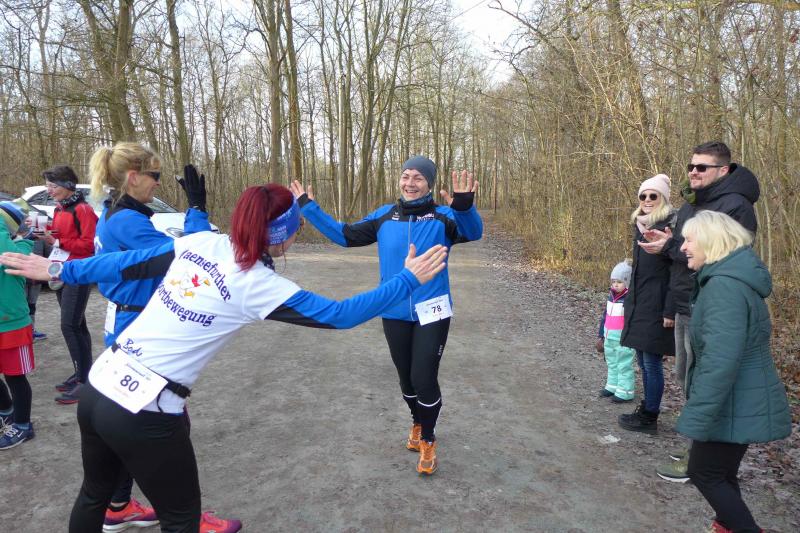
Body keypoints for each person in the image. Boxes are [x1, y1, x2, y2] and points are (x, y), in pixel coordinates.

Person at [0, 183, 447, 532]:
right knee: (181, 521)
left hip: (100, 384)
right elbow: (340, 315)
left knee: (93, 496)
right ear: (285, 235)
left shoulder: (202, 243)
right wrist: (407, 279)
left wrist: (60, 268)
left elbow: (128, 263)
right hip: (145, 409)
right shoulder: (259, 285)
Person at [290, 155, 482, 475]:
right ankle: (417, 422)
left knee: (424, 377)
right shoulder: (384, 216)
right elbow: (344, 235)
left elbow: (473, 232)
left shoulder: (444, 216)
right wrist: (308, 208)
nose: (410, 183)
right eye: (406, 176)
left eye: (418, 177)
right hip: (393, 309)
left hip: (432, 310)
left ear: (429, 184)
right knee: (406, 378)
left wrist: (464, 208)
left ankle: (429, 439)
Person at [639, 142, 760, 480]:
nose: (693, 171)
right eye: (691, 166)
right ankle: (697, 447)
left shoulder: (735, 206)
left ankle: (702, 460)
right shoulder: (694, 203)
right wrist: (666, 244)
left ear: (723, 170)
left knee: (706, 383)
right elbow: (684, 252)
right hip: (684, 303)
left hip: (711, 306)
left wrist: (672, 246)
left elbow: (725, 257)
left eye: (702, 167)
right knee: (686, 378)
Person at [673, 210, 791, 533]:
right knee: (720, 474)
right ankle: (728, 526)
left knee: (704, 473)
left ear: (711, 241)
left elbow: (720, 360)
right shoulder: (730, 279)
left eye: (689, 240)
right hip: (738, 397)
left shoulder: (723, 287)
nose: (683, 247)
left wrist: (698, 415)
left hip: (733, 399)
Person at [618, 173, 675, 434]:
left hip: (658, 305)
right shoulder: (640, 225)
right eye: (643, 195)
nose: (648, 200)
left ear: (663, 198)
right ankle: (646, 409)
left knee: (652, 363)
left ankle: (650, 416)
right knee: (642, 360)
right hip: (640, 301)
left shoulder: (669, 227)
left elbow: (678, 272)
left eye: (654, 195)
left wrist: (670, 309)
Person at [38, 166, 98, 405]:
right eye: (47, 186)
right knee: (77, 324)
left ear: (68, 186)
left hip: (79, 272)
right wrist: (44, 233)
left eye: (53, 186)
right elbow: (60, 235)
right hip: (61, 270)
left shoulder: (83, 210)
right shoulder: (59, 208)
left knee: (69, 325)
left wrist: (58, 241)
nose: (49, 191)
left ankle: (84, 381)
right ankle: (83, 374)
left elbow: (89, 245)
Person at [0, 200, 36, 449]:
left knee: (15, 377)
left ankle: (23, 425)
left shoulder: (20, 250)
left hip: (13, 326)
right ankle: (6, 411)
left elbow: (9, 258)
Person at [596, 260, 635, 403]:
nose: (615, 285)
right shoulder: (611, 297)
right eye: (613, 282)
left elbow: (632, 320)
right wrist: (601, 334)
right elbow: (605, 316)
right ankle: (612, 386)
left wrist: (629, 336)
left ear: (628, 282)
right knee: (611, 362)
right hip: (609, 336)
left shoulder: (629, 299)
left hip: (623, 338)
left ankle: (625, 391)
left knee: (624, 364)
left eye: (619, 282)